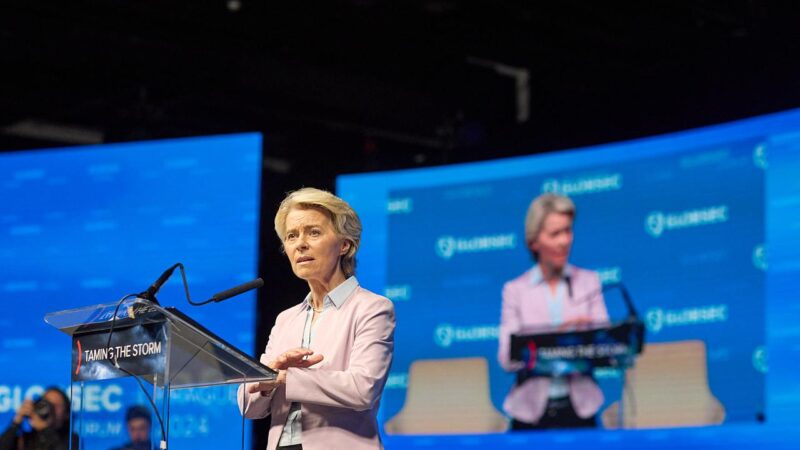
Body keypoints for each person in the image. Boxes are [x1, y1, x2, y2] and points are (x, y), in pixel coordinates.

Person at [239, 187, 396, 450]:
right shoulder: (286, 319)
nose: (300, 243)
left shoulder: (372, 308)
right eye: (291, 236)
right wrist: (268, 376)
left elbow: (362, 388)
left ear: (344, 245)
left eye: (313, 232)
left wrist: (286, 377)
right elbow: (249, 407)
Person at [497, 193, 609, 430]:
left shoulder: (589, 282)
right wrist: (561, 334)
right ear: (533, 242)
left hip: (581, 409)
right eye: (555, 234)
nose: (564, 241)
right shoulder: (515, 290)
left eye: (568, 231)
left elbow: (607, 346)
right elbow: (507, 358)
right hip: (529, 413)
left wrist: (586, 335)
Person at [0, 387, 78, 450]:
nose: (51, 408)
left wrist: (45, 429)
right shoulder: (27, 438)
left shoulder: (71, 439)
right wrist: (16, 423)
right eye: (46, 403)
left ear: (66, 413)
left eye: (56, 405)